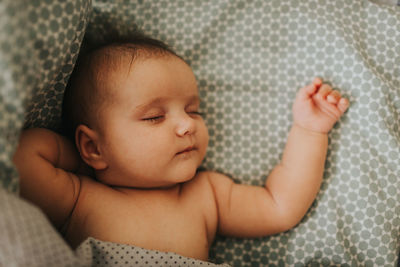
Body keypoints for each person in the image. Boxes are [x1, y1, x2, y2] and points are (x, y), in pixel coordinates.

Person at [13, 35, 349, 261]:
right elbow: (21, 160)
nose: (188, 124)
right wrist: (90, 157)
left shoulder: (206, 195)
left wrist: (309, 130)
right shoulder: (79, 198)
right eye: (155, 117)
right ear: (91, 145)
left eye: (193, 110)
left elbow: (281, 207)